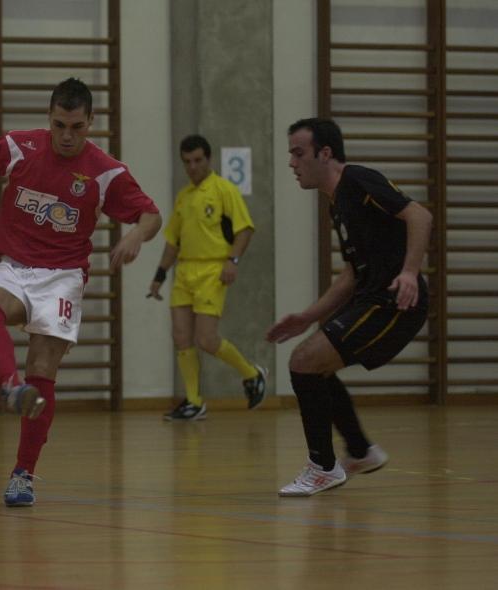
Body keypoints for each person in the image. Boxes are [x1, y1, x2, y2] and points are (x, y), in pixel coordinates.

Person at [0, 78, 161, 507]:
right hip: (15, 267)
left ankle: (23, 474)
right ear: (49, 117)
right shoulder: (19, 147)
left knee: (43, 365)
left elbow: (151, 215)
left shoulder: (105, 171)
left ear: (91, 123)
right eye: (60, 124)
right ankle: (10, 385)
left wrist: (136, 234)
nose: (67, 135)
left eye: (77, 127)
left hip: (62, 277)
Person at [268, 117, 432, 496]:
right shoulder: (337, 203)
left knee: (303, 361)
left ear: (325, 154)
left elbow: (419, 215)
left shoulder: (357, 180)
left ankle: (323, 468)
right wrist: (306, 317)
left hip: (394, 303)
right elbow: (351, 275)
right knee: (314, 367)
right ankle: (359, 452)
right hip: (370, 297)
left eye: (298, 153)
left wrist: (409, 272)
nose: (292, 162)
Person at [148, 134, 267, 421]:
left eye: (198, 160)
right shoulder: (184, 196)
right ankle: (193, 401)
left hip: (212, 271)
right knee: (181, 336)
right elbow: (173, 241)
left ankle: (252, 374)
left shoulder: (224, 190)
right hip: (184, 272)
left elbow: (245, 229)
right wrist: (159, 276)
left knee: (207, 339)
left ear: (208, 159)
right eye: (187, 161)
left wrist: (232, 261)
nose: (192, 166)